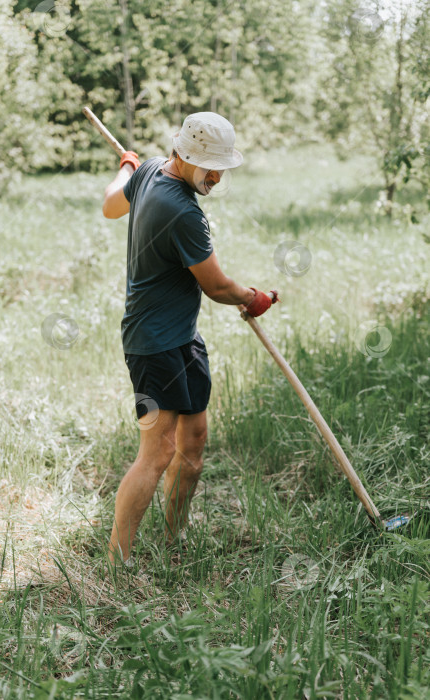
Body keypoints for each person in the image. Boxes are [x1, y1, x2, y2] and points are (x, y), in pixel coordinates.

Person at [102, 112, 276, 566]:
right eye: (208, 166)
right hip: (153, 345)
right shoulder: (182, 213)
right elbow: (217, 287)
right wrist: (253, 297)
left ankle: (174, 538)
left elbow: (109, 203)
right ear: (184, 155)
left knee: (193, 441)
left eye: (222, 168)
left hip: (182, 339)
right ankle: (116, 561)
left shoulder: (149, 168)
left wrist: (126, 165)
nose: (216, 177)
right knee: (156, 452)